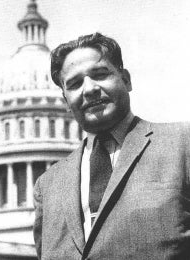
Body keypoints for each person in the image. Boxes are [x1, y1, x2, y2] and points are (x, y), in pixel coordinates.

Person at [33, 32, 190, 260]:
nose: (89, 89)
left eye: (100, 74)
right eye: (75, 84)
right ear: (66, 101)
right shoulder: (47, 186)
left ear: (126, 79)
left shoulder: (182, 144)